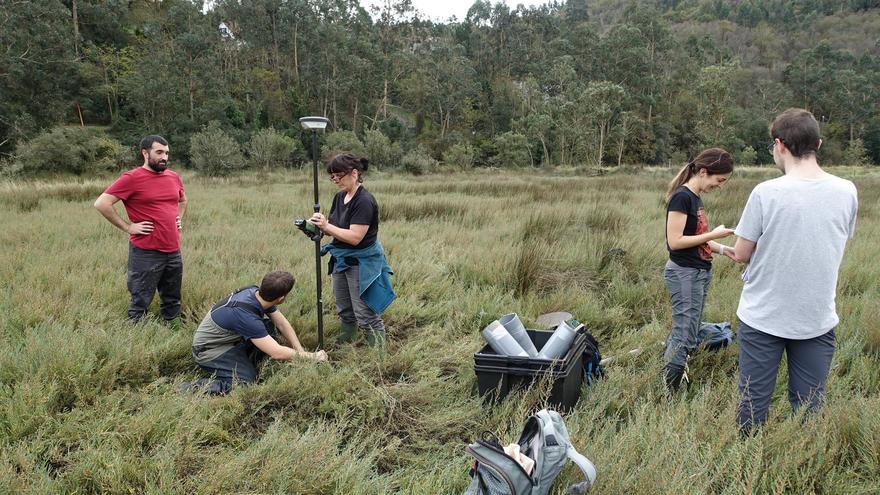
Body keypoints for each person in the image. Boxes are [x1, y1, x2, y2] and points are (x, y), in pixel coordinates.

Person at [731, 109, 857, 431]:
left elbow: (743, 253)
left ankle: (748, 464)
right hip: (816, 318)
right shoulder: (847, 191)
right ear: (818, 143)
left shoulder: (765, 192)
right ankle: (802, 465)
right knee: (808, 409)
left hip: (762, 318)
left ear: (780, 145)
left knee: (752, 405)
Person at [662, 148, 736, 391]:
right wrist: (713, 233)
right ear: (703, 172)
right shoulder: (681, 197)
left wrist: (724, 249)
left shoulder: (695, 198)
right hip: (684, 274)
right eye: (719, 180)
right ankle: (669, 392)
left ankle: (677, 375)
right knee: (684, 335)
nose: (721, 185)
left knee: (690, 330)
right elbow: (675, 241)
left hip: (698, 273)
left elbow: (698, 237)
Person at [94, 135, 187, 323]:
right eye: (159, 152)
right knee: (140, 299)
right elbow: (102, 203)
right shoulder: (132, 178)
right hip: (146, 251)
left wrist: (178, 218)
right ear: (145, 153)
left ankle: (173, 326)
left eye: (167, 153)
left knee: (172, 297)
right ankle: (137, 332)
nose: (164, 157)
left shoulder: (173, 177)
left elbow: (183, 200)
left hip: (173, 249)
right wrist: (128, 227)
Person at [189, 270, 327, 395]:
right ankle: (190, 387)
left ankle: (248, 362)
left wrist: (300, 351)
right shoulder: (246, 316)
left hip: (230, 340)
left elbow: (281, 323)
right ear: (281, 298)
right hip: (209, 351)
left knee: (269, 327)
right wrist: (312, 356)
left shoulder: (255, 292)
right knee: (245, 383)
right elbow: (277, 353)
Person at [308, 152, 395, 347]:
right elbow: (335, 227)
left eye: (339, 175)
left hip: (360, 262)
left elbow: (355, 238)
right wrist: (317, 226)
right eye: (333, 176)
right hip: (341, 260)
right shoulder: (339, 197)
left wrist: (327, 227)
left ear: (354, 173)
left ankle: (379, 356)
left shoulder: (364, 201)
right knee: (345, 309)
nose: (336, 180)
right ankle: (347, 342)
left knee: (365, 313)